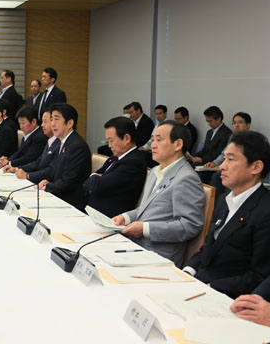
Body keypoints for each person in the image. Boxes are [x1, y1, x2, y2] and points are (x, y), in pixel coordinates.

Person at [183, 131, 270, 298]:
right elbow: (207, 249)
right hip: (199, 286)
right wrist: (188, 271)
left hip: (228, 297)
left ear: (256, 167)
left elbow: (259, 275)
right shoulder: (224, 200)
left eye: (231, 159)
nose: (222, 165)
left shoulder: (265, 211)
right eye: (224, 159)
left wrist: (210, 287)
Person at [112, 120, 205, 265]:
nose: (153, 145)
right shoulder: (156, 171)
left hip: (158, 255)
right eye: (152, 139)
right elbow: (147, 209)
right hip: (136, 245)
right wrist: (126, 217)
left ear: (178, 144)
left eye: (159, 140)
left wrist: (145, 229)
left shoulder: (186, 179)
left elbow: (189, 226)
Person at [83, 116, 148, 218]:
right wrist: (96, 176)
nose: (109, 145)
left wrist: (96, 177)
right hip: (92, 212)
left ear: (126, 138)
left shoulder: (134, 162)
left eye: (111, 140)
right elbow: (90, 181)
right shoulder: (115, 157)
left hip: (109, 219)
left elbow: (97, 185)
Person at [37, 104, 91, 209]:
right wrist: (48, 182)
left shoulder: (77, 146)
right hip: (59, 196)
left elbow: (69, 181)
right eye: (51, 119)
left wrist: (48, 187)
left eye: (56, 119)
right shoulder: (65, 142)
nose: (53, 124)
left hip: (70, 203)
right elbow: (60, 174)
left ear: (70, 123)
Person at [4, 108, 61, 184]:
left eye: (45, 122)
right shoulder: (50, 140)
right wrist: (15, 168)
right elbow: (38, 162)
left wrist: (28, 175)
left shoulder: (45, 138)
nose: (42, 125)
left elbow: (50, 170)